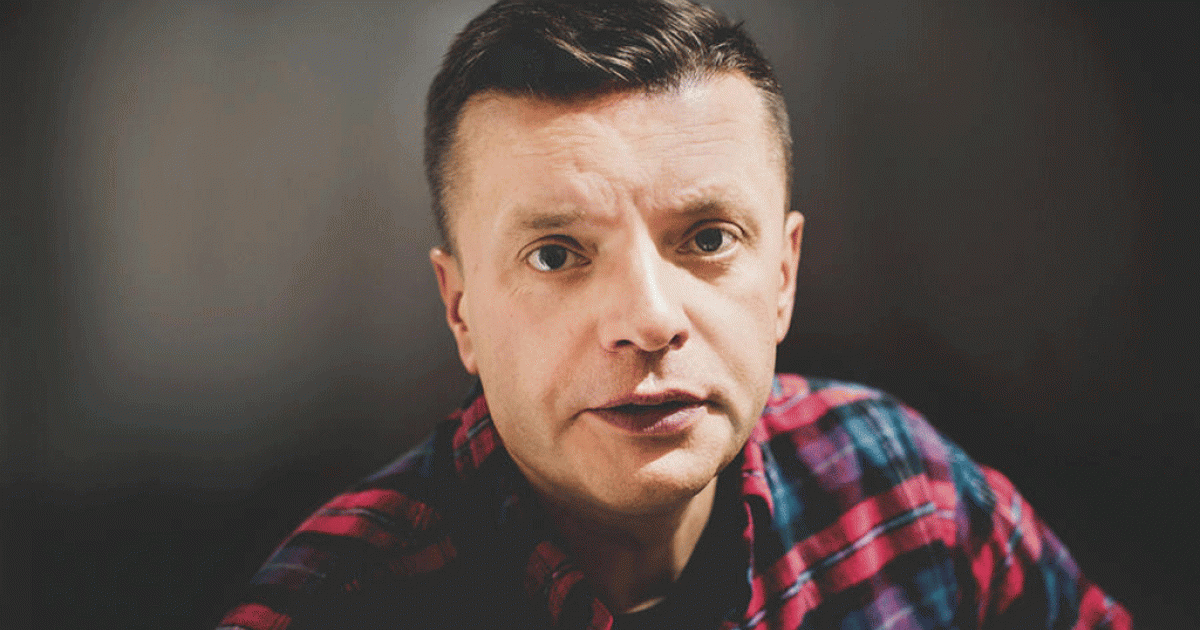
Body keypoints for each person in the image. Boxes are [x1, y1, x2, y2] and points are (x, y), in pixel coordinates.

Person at [217, 1, 1130, 628]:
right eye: (556, 254)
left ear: (783, 276)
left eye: (708, 238)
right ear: (460, 311)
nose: (650, 321)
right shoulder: (329, 605)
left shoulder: (901, 487)